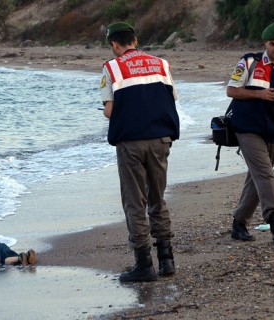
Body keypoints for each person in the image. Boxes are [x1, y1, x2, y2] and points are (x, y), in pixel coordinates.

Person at [100, 22, 180, 282]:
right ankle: (167, 260)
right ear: (135, 39)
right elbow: (171, 98)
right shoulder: (161, 64)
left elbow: (110, 111)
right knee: (158, 197)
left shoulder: (112, 67)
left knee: (135, 202)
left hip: (131, 143)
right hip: (160, 139)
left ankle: (144, 264)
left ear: (114, 44)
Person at [227, 21, 274, 246]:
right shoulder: (250, 61)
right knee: (265, 174)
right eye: (272, 44)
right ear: (265, 43)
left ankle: (239, 223)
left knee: (256, 178)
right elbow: (231, 91)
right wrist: (259, 95)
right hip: (247, 128)